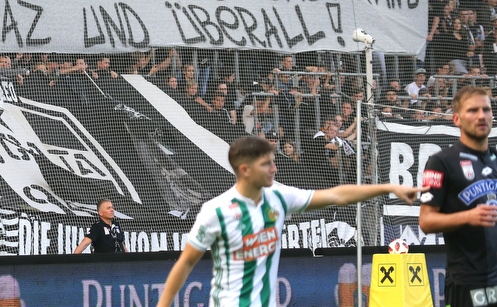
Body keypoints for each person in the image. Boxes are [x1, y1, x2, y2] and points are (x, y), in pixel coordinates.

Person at [156, 136, 422, 307]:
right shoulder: (215, 211)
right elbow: (186, 263)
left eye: (273, 162)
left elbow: (337, 195)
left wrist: (388, 187)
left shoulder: (279, 196)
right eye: (267, 164)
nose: (275, 169)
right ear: (245, 170)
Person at [419, 86, 497, 307]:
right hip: (467, 282)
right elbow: (426, 221)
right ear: (457, 119)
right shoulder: (441, 162)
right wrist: (468, 217)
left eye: (486, 109)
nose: (481, 116)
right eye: (473, 111)